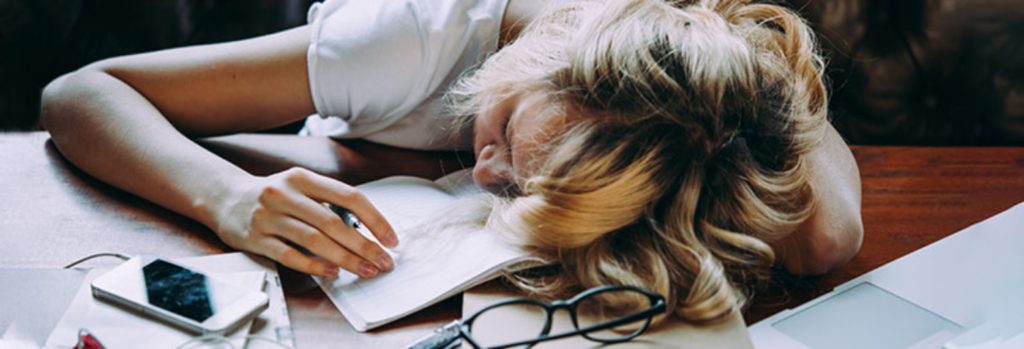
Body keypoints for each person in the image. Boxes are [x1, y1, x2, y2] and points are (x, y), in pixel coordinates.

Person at [41, 0, 863, 323]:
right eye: (501, 126)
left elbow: (827, 238)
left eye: (521, 185)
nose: (485, 172)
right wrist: (227, 197)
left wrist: (737, 49)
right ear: (546, 40)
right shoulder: (405, 40)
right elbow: (79, 94)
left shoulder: (682, 110)